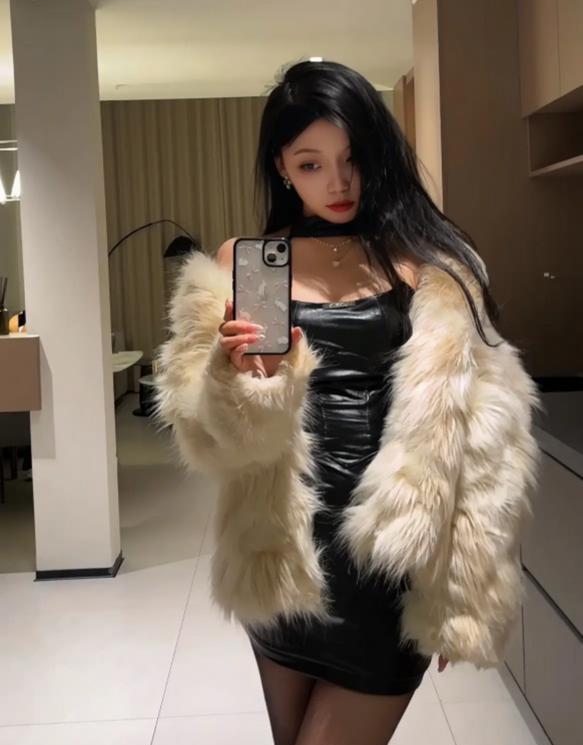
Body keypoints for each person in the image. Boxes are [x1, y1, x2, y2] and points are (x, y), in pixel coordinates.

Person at [154, 60, 539, 745]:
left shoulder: (431, 264)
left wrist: (464, 590)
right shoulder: (248, 262)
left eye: (352, 158)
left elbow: (486, 443)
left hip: (386, 563)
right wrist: (232, 380)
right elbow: (207, 440)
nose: (336, 182)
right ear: (281, 166)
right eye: (310, 164)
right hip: (278, 551)